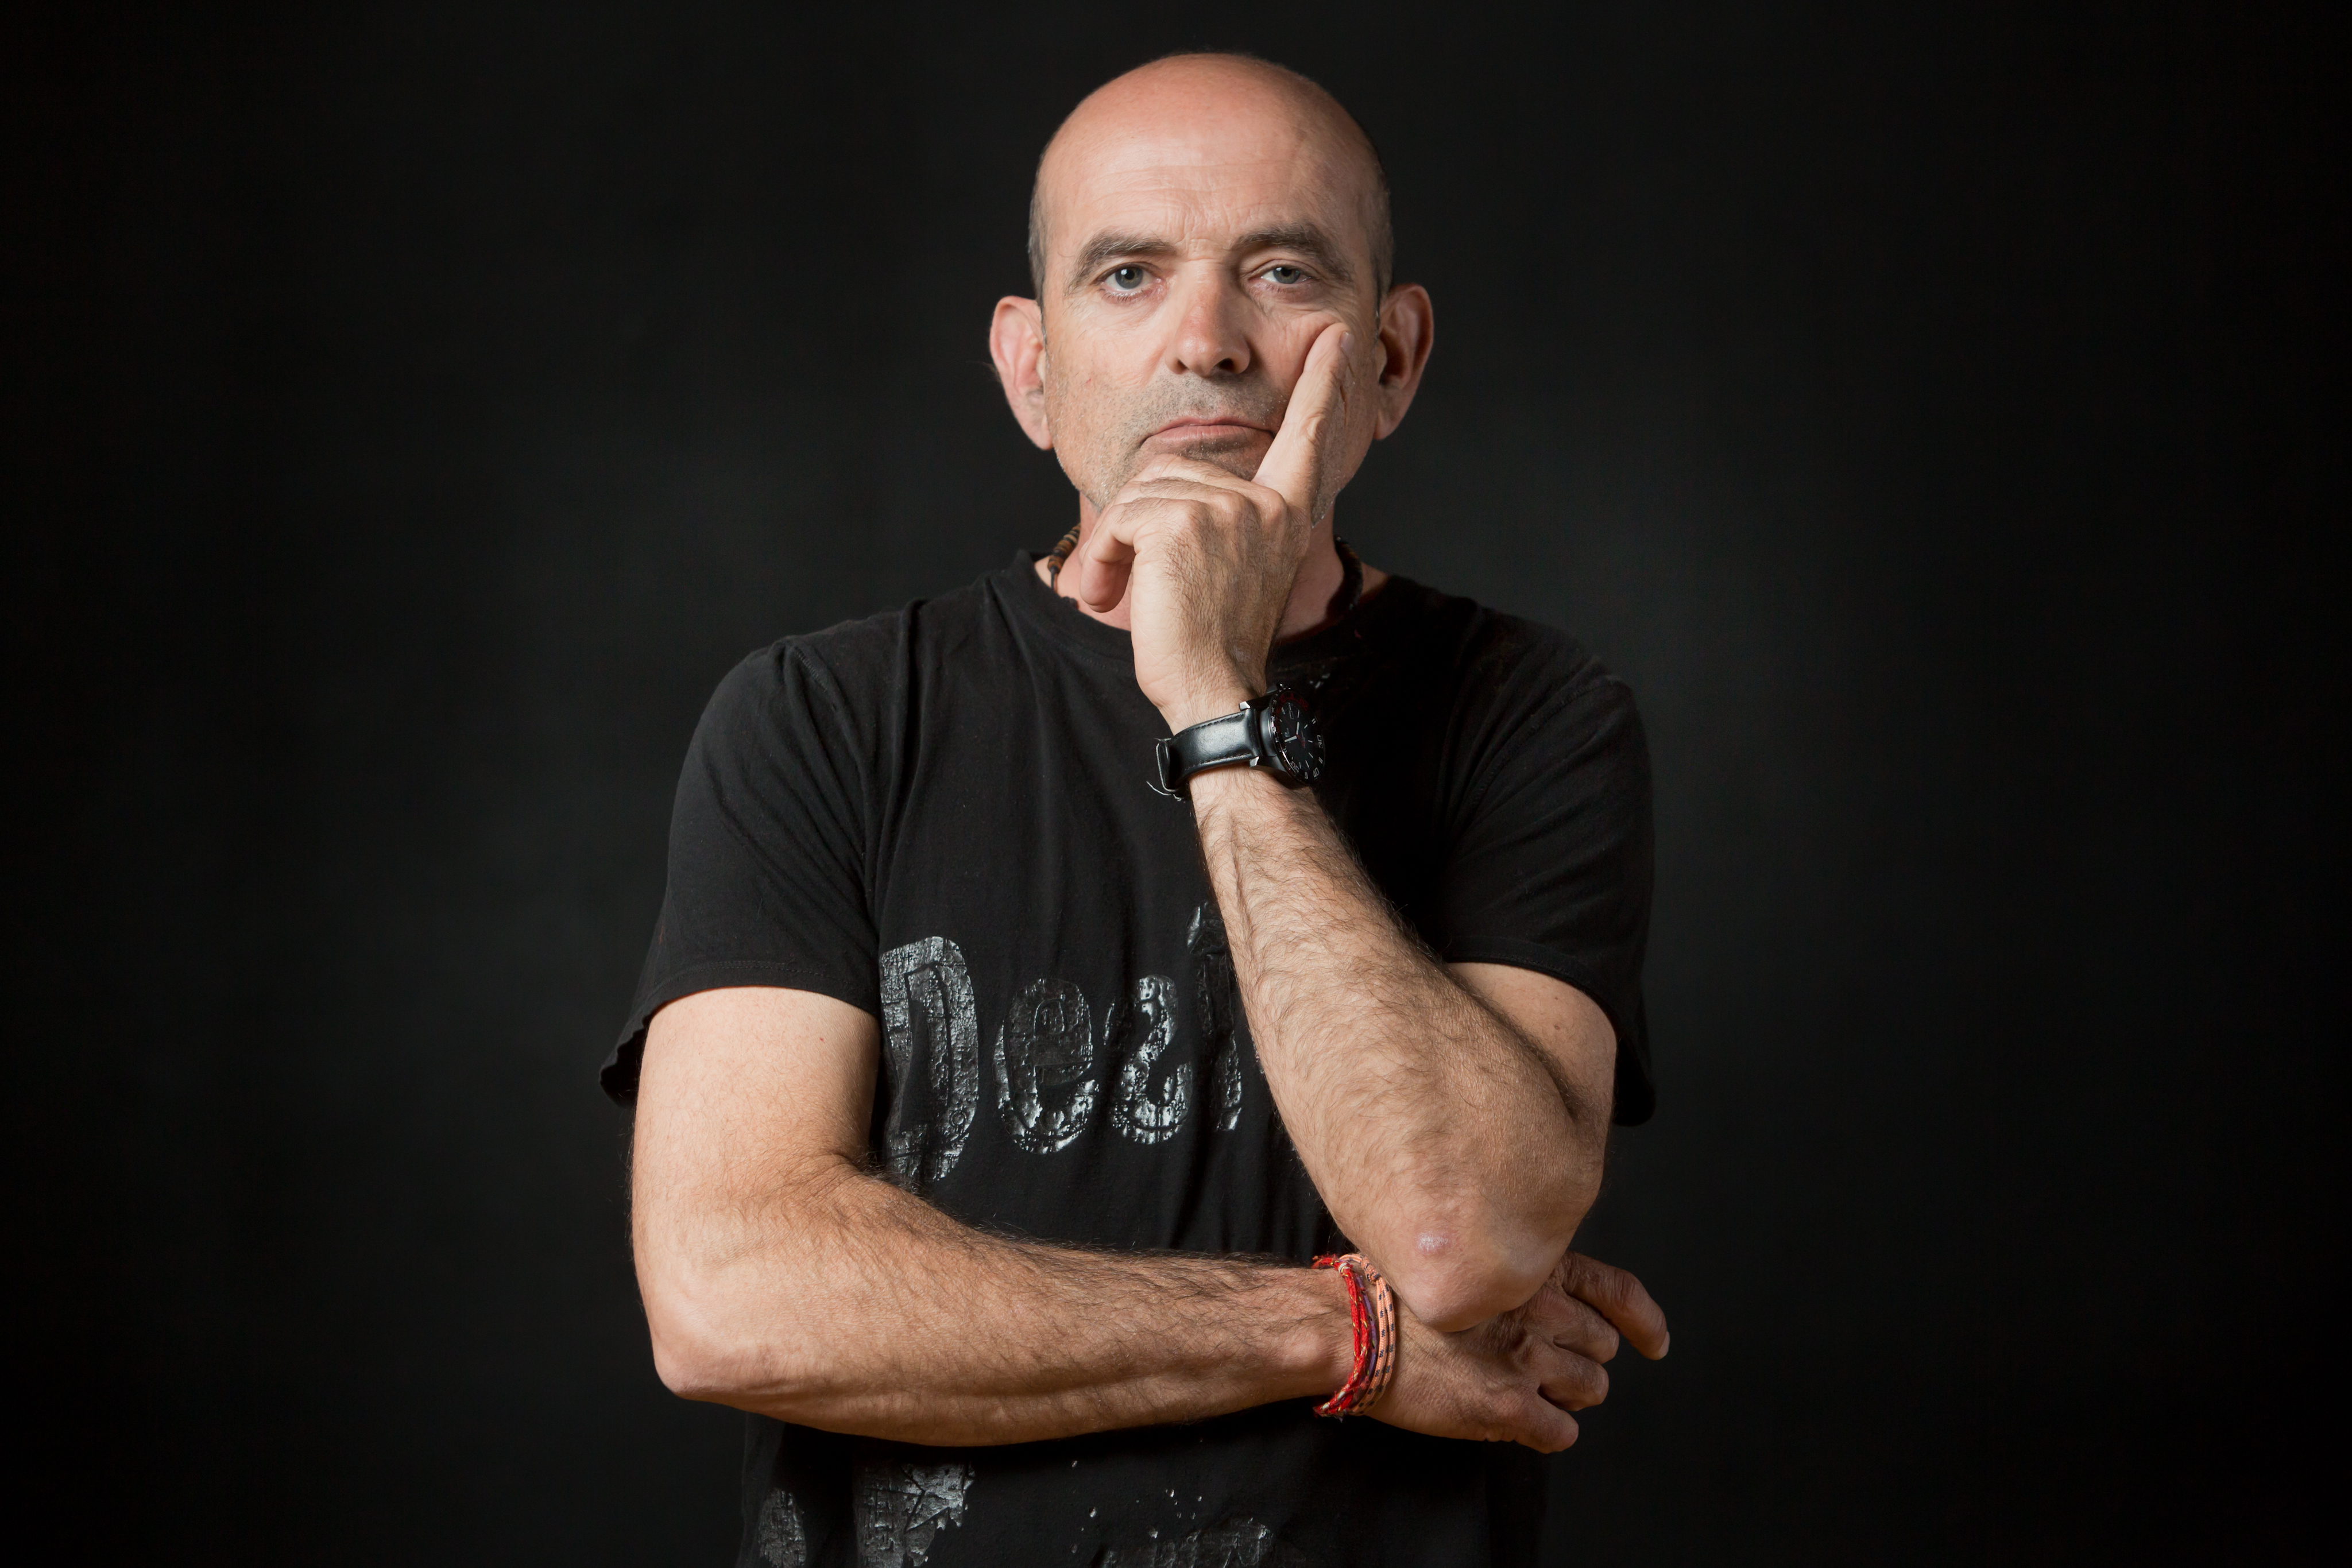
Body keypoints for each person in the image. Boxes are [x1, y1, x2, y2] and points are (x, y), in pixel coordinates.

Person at [605, 51, 1670, 1568]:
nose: (1208, 341)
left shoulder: (1533, 715)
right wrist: (1342, 1332)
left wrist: (1212, 703)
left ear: (1393, 358)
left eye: (1283, 272)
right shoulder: (820, 720)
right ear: (1030, 369)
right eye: (1129, 275)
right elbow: (731, 1298)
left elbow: (1462, 1237)